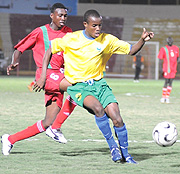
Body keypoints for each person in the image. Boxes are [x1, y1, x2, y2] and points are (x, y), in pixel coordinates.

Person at [34, 9, 154, 163]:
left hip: (99, 85)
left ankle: (127, 155)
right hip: (78, 86)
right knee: (98, 109)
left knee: (117, 119)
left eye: (100, 25)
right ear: (85, 24)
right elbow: (50, 50)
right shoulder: (71, 38)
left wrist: (142, 40)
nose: (98, 29)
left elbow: (131, 50)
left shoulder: (107, 40)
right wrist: (43, 74)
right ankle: (113, 148)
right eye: (94, 25)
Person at [1, 3, 77, 156]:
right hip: (46, 74)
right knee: (80, 87)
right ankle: (56, 128)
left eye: (65, 16)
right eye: (60, 15)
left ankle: (9, 139)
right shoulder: (40, 32)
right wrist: (14, 61)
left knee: (47, 122)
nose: (63, 18)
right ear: (52, 16)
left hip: (61, 75)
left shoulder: (68, 32)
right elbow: (19, 48)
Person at [158, 37, 179, 103]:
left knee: (171, 82)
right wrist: (161, 68)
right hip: (167, 68)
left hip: (173, 68)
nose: (170, 42)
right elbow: (160, 58)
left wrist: (177, 63)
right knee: (166, 82)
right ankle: (163, 97)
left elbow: (178, 57)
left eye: (171, 40)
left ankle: (167, 97)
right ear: (167, 41)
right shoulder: (164, 49)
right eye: (168, 41)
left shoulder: (176, 48)